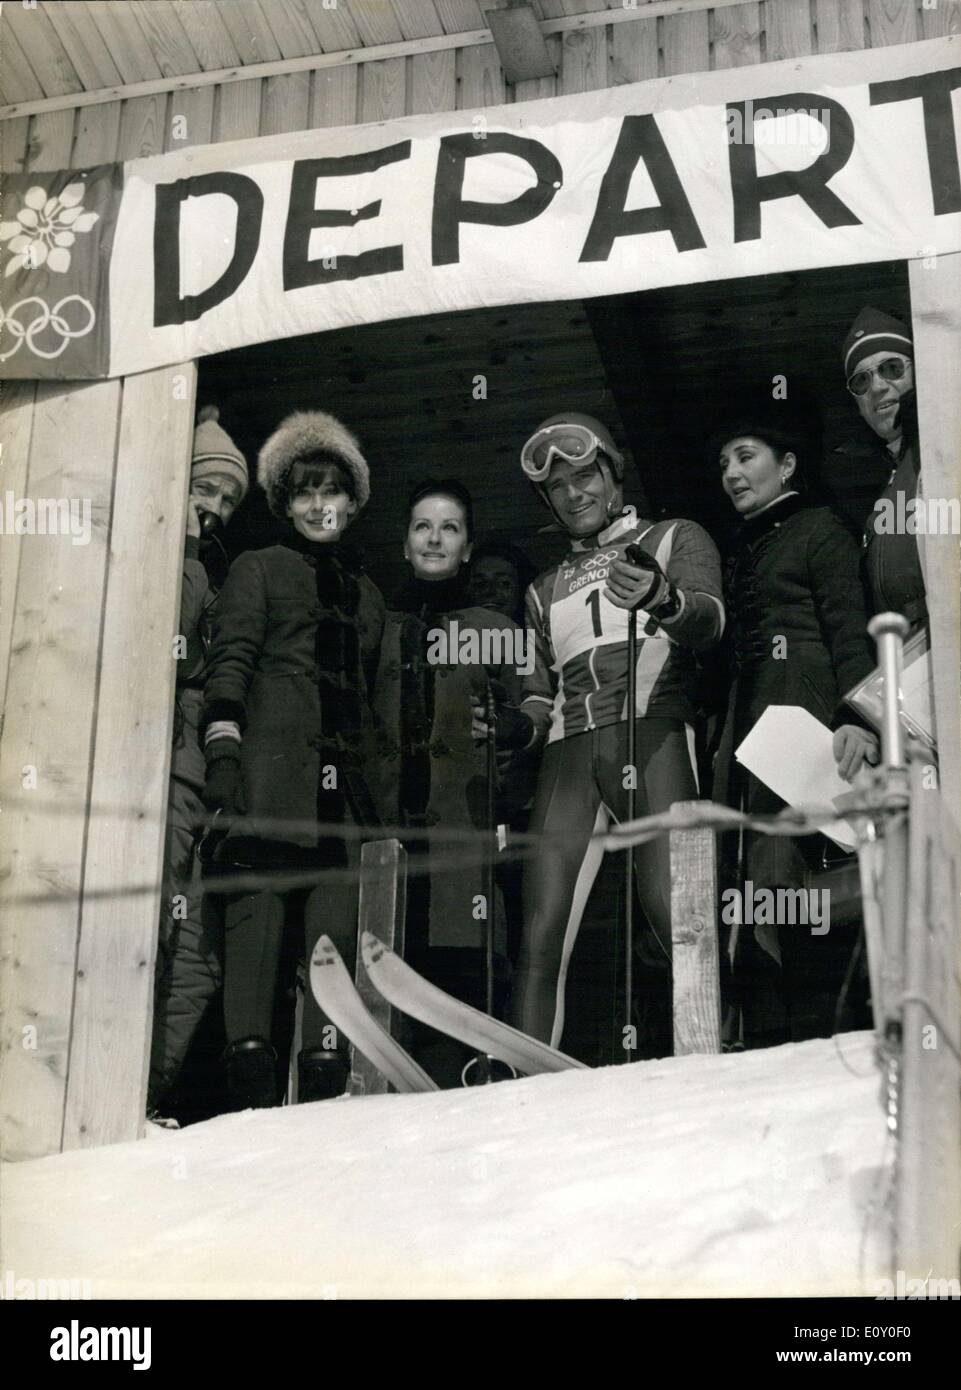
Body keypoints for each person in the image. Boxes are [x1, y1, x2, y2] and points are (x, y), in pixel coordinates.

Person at [477, 412, 725, 1050]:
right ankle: (520, 1086)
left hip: (654, 731)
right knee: (539, 937)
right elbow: (539, 696)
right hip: (568, 755)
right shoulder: (540, 588)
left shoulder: (672, 536)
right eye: (557, 487)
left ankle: (714, 1060)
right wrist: (515, 728)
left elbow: (712, 624)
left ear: (613, 475)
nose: (573, 493)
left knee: (678, 918)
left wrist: (663, 598)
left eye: (585, 475)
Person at [200, 411, 385, 1109]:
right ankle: (247, 1113)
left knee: (328, 969)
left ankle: (320, 1111)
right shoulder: (259, 568)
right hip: (264, 792)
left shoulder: (367, 596)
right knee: (251, 966)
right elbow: (230, 666)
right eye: (303, 491)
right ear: (283, 502)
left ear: (351, 502)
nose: (318, 505)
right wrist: (224, 758)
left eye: (331, 491)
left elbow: (373, 703)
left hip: (341, 812)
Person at [711, 415, 878, 1044]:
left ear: (787, 466)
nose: (730, 473)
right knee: (757, 883)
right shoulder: (744, 546)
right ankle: (770, 1034)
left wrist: (859, 716)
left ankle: (816, 1033)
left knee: (800, 880)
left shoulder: (820, 529)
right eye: (723, 463)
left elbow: (848, 627)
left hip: (810, 729)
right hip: (750, 738)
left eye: (745, 454)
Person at [370, 481, 528, 1084]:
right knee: (390, 970)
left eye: (450, 528)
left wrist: (516, 727)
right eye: (423, 527)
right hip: (385, 836)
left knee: (466, 974)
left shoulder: (493, 624)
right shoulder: (378, 627)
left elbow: (539, 703)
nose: (435, 538)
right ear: (406, 544)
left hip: (467, 834)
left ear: (467, 549)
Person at [147, 406, 248, 1123]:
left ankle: (146, 1093)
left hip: (202, 783)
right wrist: (181, 550)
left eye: (226, 500)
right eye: (204, 488)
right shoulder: (164, 564)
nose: (214, 509)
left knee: (199, 953)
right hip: (160, 776)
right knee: (151, 928)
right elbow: (169, 637)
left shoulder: (211, 575)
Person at [841, 307, 926, 632]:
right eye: (861, 380)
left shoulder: (940, 451)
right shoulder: (885, 478)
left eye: (892, 368)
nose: (877, 387)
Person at [467, 538, 537, 627]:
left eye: (504, 583)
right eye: (480, 584)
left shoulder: (536, 639)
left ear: (521, 589)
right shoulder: (449, 637)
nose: (489, 591)